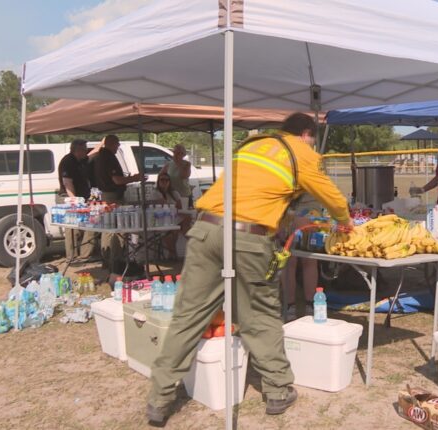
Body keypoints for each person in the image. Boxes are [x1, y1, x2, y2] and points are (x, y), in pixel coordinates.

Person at [146, 113, 353, 425]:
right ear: (306, 134)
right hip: (247, 241)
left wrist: (286, 219)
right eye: (313, 138)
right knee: (260, 314)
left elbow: (251, 196)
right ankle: (278, 390)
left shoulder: (253, 146)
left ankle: (159, 399)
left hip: (205, 231)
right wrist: (346, 221)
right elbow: (332, 196)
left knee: (187, 316)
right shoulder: (302, 153)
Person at [93, 135, 144, 270]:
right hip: (113, 196)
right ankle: (115, 260)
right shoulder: (108, 157)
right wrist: (134, 178)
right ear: (111, 144)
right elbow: (116, 180)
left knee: (108, 228)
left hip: (106, 194)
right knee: (117, 228)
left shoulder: (99, 157)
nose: (118, 147)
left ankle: (108, 258)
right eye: (117, 144)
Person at [281, 193, 320, 320]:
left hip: (306, 203)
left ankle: (304, 306)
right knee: (292, 258)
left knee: (306, 256)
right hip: (285, 203)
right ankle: (294, 306)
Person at [58, 139, 97, 262]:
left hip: (82, 197)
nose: (86, 150)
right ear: (77, 150)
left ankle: (85, 254)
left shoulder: (82, 160)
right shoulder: (68, 161)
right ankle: (72, 257)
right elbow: (67, 183)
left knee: (90, 224)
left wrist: (102, 143)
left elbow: (93, 154)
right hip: (71, 197)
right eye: (84, 148)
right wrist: (74, 200)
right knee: (72, 227)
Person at [153, 171, 186, 260]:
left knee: (180, 223)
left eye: (167, 180)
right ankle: (173, 252)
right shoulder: (156, 192)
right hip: (161, 217)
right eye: (162, 180)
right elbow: (163, 205)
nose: (164, 182)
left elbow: (180, 206)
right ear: (158, 181)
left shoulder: (174, 193)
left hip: (174, 217)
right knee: (170, 230)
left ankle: (172, 253)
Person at [160, 144, 193, 209]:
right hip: (172, 195)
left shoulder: (186, 164)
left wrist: (178, 163)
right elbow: (160, 176)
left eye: (178, 153)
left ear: (183, 154)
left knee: (185, 213)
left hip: (184, 195)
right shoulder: (168, 164)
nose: (175, 154)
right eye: (174, 152)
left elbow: (184, 175)